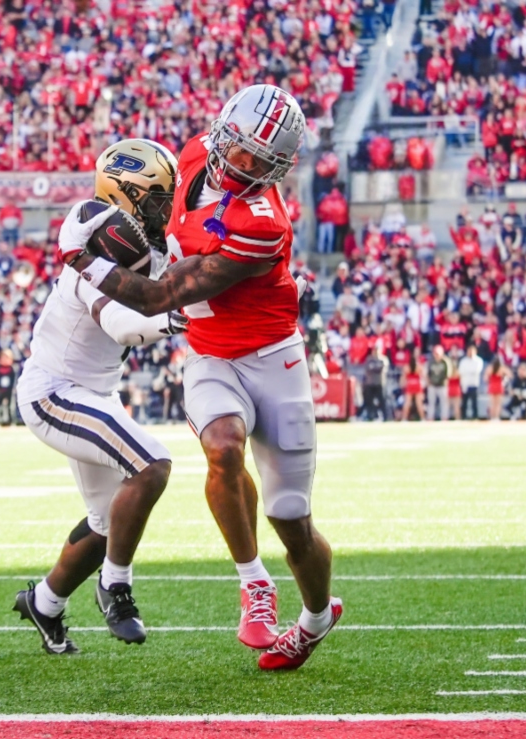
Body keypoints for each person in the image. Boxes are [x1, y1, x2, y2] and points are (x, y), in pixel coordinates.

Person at [65, 86, 342, 670]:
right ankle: (254, 583)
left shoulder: (262, 223)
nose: (242, 168)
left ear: (278, 169)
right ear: (222, 135)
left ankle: (316, 617)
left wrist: (85, 259)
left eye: (258, 164)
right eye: (238, 153)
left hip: (274, 358)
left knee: (291, 517)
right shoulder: (191, 156)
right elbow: (157, 218)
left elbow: (162, 295)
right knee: (221, 447)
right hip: (212, 352)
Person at [14, 139, 183, 653]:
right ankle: (116, 584)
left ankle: (44, 601)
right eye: (157, 200)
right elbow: (124, 324)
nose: (167, 210)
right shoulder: (91, 257)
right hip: (54, 392)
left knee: (108, 520)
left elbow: (195, 267)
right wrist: (173, 319)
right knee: (152, 465)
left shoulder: (155, 250)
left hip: (94, 394)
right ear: (126, 197)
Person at [362, 345, 388, 421]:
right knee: (369, 401)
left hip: (380, 383)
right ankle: (371, 416)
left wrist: (374, 367)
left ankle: (385, 417)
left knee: (382, 401)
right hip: (370, 383)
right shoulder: (369, 359)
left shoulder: (383, 359)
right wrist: (375, 367)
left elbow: (381, 368)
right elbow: (368, 368)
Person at [458, 344, 483, 420]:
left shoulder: (478, 360)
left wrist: (467, 372)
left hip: (474, 384)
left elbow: (476, 371)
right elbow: (461, 371)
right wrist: (468, 372)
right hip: (465, 384)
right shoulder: (463, 361)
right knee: (464, 403)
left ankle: (475, 417)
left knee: (474, 403)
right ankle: (463, 417)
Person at [426, 344, 450, 420]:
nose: (436, 355)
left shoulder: (445, 361)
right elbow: (427, 373)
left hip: (442, 385)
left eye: (438, 353)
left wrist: (446, 381)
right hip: (432, 384)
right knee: (431, 403)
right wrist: (428, 381)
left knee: (444, 403)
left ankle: (444, 417)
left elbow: (448, 373)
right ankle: (430, 418)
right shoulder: (431, 361)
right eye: (435, 353)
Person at [401, 351, 425, 421]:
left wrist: (402, 385)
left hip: (410, 384)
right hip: (417, 384)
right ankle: (423, 418)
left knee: (407, 403)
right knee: (419, 403)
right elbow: (423, 376)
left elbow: (403, 378)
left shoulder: (406, 367)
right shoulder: (419, 367)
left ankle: (404, 419)